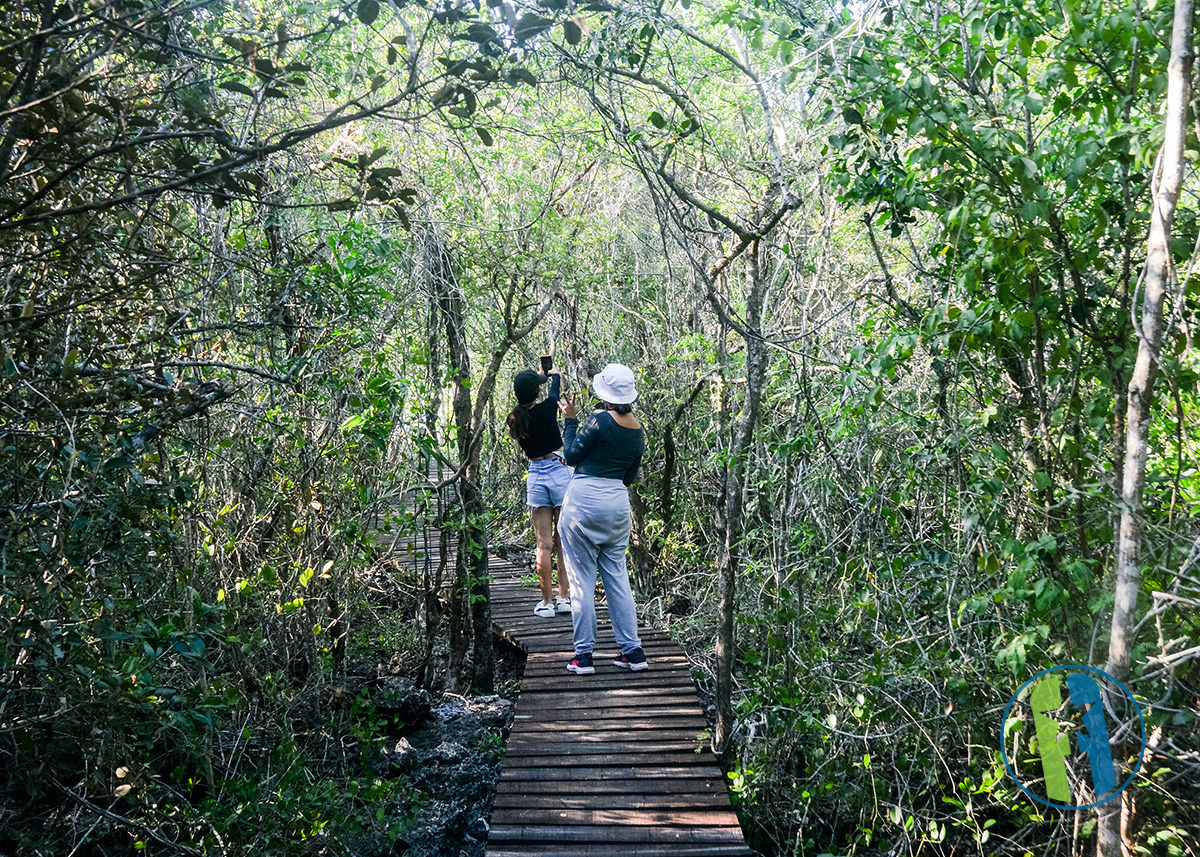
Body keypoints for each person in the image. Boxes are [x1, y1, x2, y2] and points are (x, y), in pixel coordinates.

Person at [558, 363, 647, 674]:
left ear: (605, 395)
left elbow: (570, 454)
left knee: (582, 581)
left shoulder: (598, 420)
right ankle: (632, 651)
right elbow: (629, 477)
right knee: (618, 578)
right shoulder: (638, 430)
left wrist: (570, 420)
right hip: (617, 507)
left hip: (583, 504)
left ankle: (583, 656)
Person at [507, 366, 573, 618]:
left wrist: (536, 380)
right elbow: (556, 386)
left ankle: (546, 603)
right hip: (559, 471)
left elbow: (532, 400)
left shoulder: (515, 418)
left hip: (536, 476)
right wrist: (550, 374)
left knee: (543, 545)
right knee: (563, 541)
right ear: (537, 390)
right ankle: (564, 598)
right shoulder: (548, 407)